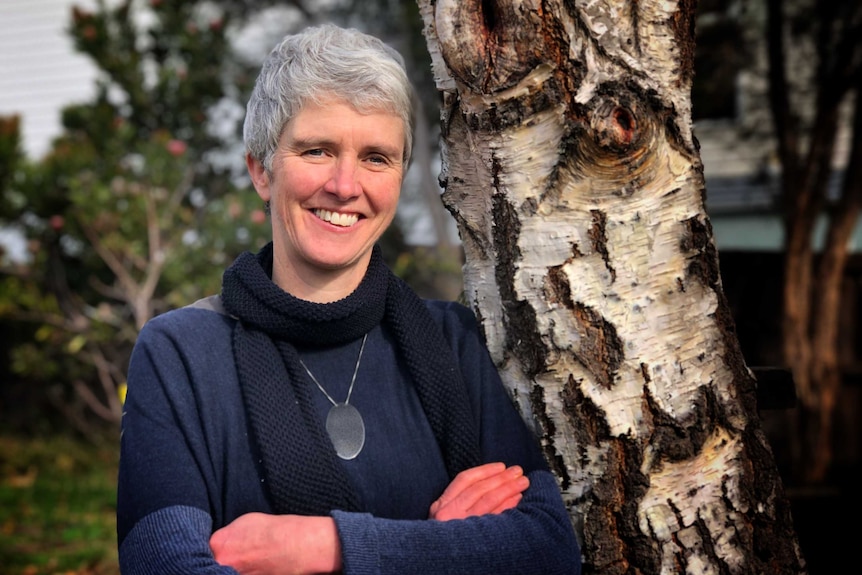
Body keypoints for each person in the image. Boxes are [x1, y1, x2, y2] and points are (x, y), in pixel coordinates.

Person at [116, 23, 581, 575]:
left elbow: (549, 549)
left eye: (376, 158)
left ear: (400, 177)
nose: (344, 184)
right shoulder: (179, 356)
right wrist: (440, 549)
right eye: (317, 150)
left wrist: (327, 547)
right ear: (261, 171)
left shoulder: (452, 342)